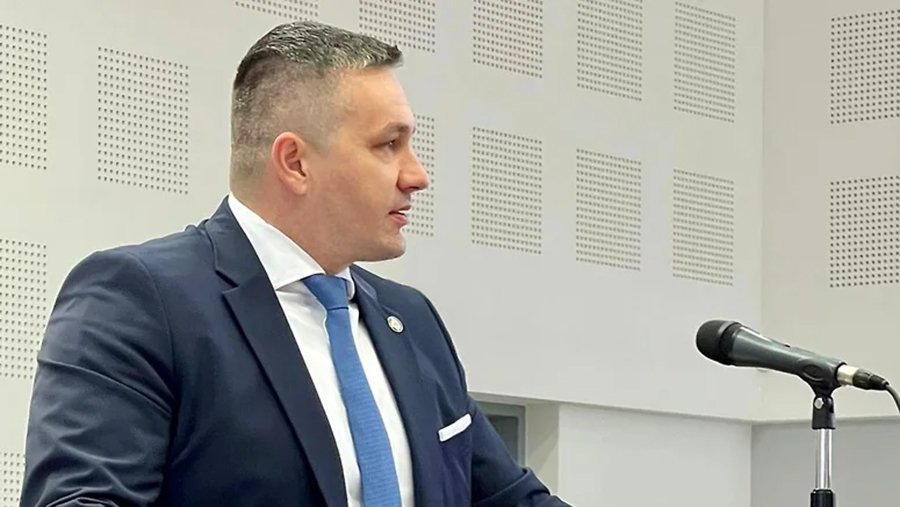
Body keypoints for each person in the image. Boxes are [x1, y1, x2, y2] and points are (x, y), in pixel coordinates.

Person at [19, 20, 571, 507]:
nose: (417, 175)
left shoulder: (414, 321)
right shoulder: (138, 301)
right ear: (295, 162)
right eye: (389, 145)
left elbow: (509, 498)